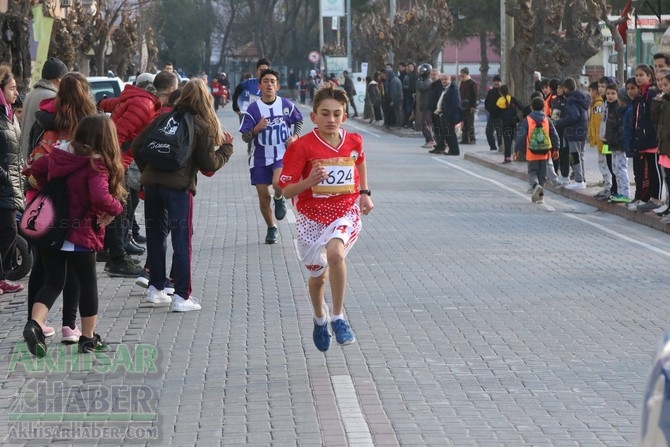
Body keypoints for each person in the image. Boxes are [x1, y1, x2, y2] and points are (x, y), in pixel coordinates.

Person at [278, 84, 374, 352]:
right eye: (325, 114)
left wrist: (364, 192)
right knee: (318, 277)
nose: (331, 120)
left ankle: (338, 317)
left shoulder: (354, 140)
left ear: (344, 116)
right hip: (311, 219)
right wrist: (310, 180)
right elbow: (285, 191)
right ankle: (320, 319)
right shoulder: (302, 148)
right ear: (314, 117)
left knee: (336, 255)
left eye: (336, 114)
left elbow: (360, 160)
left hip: (345, 210)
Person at [24, 114, 127, 356]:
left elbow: (35, 168)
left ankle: (34, 324)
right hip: (79, 231)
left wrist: (49, 189)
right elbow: (100, 196)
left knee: (53, 281)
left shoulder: (58, 156)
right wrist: (116, 209)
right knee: (87, 282)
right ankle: (88, 339)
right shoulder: (96, 165)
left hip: (52, 229)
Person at [132, 79, 234, 312]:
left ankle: (155, 289)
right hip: (178, 190)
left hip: (152, 186)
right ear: (206, 99)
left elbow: (138, 147)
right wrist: (226, 149)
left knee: (156, 237)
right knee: (181, 239)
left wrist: (149, 170)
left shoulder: (162, 118)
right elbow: (209, 166)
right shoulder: (203, 125)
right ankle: (181, 296)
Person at [22, 72, 98, 343]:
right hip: (77, 207)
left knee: (45, 268)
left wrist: (40, 182)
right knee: (79, 270)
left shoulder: (46, 121)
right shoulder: (88, 125)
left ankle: (35, 323)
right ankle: (70, 326)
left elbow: (32, 161)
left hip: (43, 202)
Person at [99, 71, 180, 277]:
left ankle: (114, 252)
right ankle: (116, 259)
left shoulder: (144, 102)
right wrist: (121, 159)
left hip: (119, 161)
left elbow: (109, 105)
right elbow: (117, 135)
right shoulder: (143, 105)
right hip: (117, 162)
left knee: (122, 208)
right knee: (120, 208)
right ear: (171, 89)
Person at [239, 69, 303, 244]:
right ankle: (271, 227)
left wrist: (295, 136)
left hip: (281, 154)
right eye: (265, 81)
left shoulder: (285, 105)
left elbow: (299, 120)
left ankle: (279, 197)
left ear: (277, 86)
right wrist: (256, 129)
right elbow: (245, 136)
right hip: (259, 157)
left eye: (272, 81)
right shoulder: (253, 109)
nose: (269, 84)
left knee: (277, 182)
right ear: (259, 85)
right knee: (262, 196)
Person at [0, 65, 26, 295]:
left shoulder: (9, 114)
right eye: (11, 88)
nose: (16, 92)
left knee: (9, 231)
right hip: (4, 184)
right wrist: (6, 176)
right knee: (8, 231)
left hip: (11, 184)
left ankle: (2, 278)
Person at [629, 64, 663, 212]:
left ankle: (657, 199)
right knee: (645, 171)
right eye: (636, 75)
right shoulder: (641, 95)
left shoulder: (651, 94)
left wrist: (650, 134)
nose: (638, 78)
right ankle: (647, 197)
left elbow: (654, 118)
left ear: (649, 77)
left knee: (656, 171)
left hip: (652, 140)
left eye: (641, 75)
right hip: (643, 141)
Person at [20, 57, 68, 159]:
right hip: (39, 156)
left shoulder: (30, 95)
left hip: (26, 155)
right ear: (59, 80)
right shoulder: (52, 97)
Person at [515, 97, 560, 204]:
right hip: (545, 153)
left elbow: (520, 136)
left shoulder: (527, 120)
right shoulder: (547, 119)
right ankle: (540, 197)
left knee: (532, 172)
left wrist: (516, 149)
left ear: (531, 107)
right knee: (542, 175)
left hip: (532, 152)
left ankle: (535, 185)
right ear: (544, 108)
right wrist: (556, 149)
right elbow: (554, 135)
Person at [555, 78, 590, 188]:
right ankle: (582, 179)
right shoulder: (581, 97)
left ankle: (579, 180)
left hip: (573, 131)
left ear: (565, 88)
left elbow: (574, 116)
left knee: (573, 155)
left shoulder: (571, 100)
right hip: (582, 129)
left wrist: (560, 122)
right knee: (580, 155)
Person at [603, 85, 631, 203]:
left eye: (613, 94)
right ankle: (619, 192)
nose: (610, 96)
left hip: (619, 144)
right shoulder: (609, 106)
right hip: (612, 143)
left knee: (621, 168)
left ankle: (625, 193)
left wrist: (619, 141)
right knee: (615, 168)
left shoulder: (619, 109)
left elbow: (621, 128)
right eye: (608, 93)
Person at [587, 81, 613, 200]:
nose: (589, 93)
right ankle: (608, 186)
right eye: (599, 87)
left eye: (603, 86)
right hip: (600, 141)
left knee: (605, 164)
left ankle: (609, 187)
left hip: (604, 142)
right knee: (603, 163)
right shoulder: (596, 104)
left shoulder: (598, 105)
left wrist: (598, 140)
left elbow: (598, 124)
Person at [651, 72, 670, 223]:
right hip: (664, 146)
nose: (663, 87)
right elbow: (655, 119)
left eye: (666, 85)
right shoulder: (664, 101)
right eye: (662, 85)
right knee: (668, 178)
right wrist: (657, 102)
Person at [431, 74, 462, 156]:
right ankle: (451, 150)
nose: (444, 81)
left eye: (446, 79)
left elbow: (455, 104)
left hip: (449, 115)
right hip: (442, 114)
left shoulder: (453, 89)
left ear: (450, 79)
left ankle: (455, 151)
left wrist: (448, 114)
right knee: (446, 134)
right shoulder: (444, 89)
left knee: (450, 133)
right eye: (442, 80)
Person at [496, 84, 524, 163]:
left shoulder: (499, 101)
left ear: (501, 93)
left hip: (505, 123)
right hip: (513, 122)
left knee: (507, 140)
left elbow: (497, 113)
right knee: (515, 138)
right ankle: (518, 153)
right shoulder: (512, 99)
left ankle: (507, 158)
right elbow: (521, 107)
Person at [416, 65, 436, 148]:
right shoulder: (425, 80)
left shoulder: (427, 81)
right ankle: (430, 139)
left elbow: (421, 87)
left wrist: (418, 80)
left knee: (424, 123)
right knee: (427, 123)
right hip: (425, 104)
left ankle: (430, 140)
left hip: (427, 105)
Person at [458, 67, 478, 144]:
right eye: (461, 73)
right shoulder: (461, 82)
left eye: (463, 73)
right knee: (464, 123)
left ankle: (472, 139)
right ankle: (465, 139)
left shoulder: (472, 83)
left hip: (469, 106)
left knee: (470, 123)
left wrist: (473, 106)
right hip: (462, 106)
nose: (462, 74)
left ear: (467, 74)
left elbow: (474, 96)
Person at [485, 74, 503, 152]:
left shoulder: (503, 92)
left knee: (500, 133)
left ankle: (500, 147)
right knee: (488, 132)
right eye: (495, 81)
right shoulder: (490, 92)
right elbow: (486, 103)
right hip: (492, 116)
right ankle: (492, 147)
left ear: (501, 82)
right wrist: (489, 109)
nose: (496, 83)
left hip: (500, 116)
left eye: (498, 81)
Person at [402, 62, 417, 128]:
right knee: (407, 110)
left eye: (411, 66)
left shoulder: (416, 75)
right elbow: (404, 85)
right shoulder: (407, 76)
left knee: (412, 110)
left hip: (413, 95)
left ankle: (411, 123)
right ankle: (407, 122)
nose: (410, 68)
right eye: (409, 66)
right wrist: (407, 87)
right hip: (407, 94)